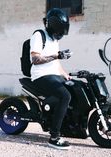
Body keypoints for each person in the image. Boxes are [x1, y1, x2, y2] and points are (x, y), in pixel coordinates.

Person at [30, 8, 72, 150]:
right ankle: (54, 137)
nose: (61, 33)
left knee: (75, 88)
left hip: (54, 75)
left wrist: (66, 74)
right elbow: (35, 59)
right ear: (54, 25)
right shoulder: (39, 35)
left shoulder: (54, 40)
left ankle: (70, 126)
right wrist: (57, 56)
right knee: (65, 96)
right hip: (41, 76)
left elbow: (56, 63)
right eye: (60, 29)